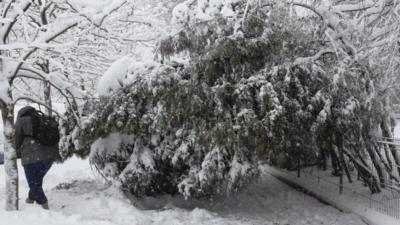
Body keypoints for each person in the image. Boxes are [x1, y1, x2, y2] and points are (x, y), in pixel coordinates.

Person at [15, 106, 61, 210]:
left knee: (34, 184)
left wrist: (16, 151)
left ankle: (44, 207)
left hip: (32, 158)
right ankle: (30, 200)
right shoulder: (42, 119)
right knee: (36, 181)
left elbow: (16, 141)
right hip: (50, 157)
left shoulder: (22, 121)